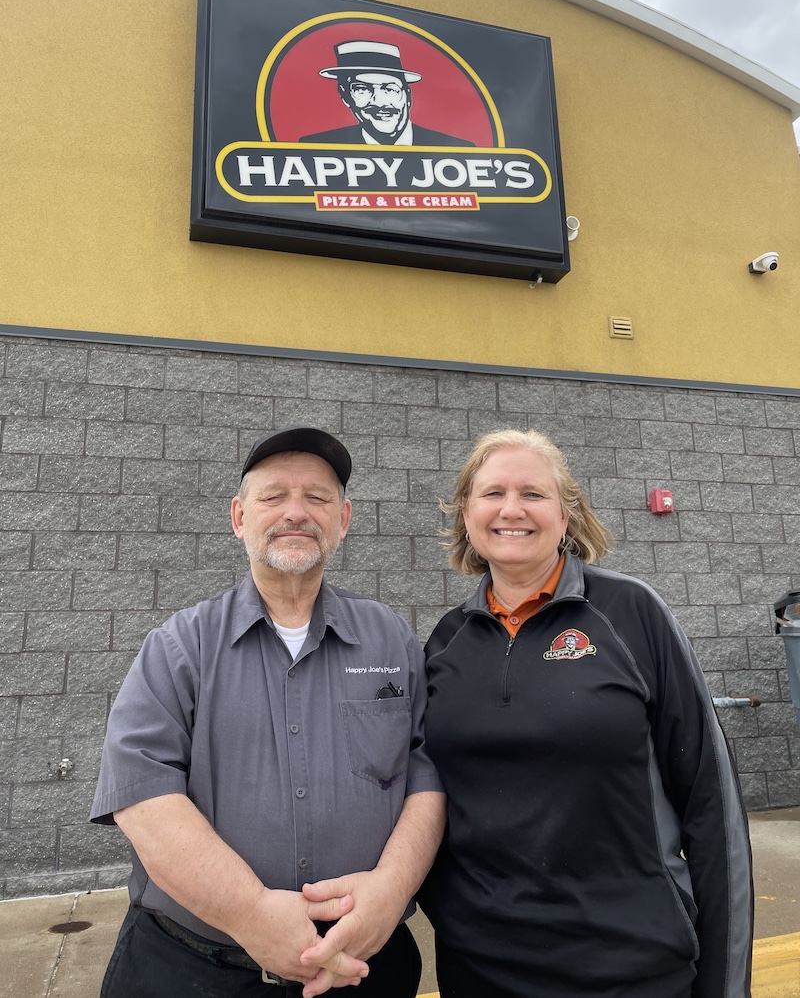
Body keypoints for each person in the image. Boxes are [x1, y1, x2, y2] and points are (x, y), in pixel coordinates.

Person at [91, 426, 445, 998]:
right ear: (238, 516)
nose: (296, 513)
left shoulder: (392, 640)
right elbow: (142, 793)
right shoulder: (180, 645)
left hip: (365, 965)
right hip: (191, 970)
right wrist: (252, 912)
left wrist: (392, 888)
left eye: (317, 498)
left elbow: (426, 775)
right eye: (273, 496)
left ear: (344, 518)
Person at [419, 428, 753, 998]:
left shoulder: (632, 613)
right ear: (467, 515)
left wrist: (726, 985)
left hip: (629, 964)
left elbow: (711, 803)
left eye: (534, 494)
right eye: (492, 493)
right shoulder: (445, 642)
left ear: (566, 514)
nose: (511, 509)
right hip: (480, 965)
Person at [300, 40, 474, 147]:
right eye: (362, 89)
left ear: (407, 95)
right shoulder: (316, 147)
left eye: (389, 89)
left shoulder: (459, 151)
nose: (379, 102)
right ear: (345, 96)